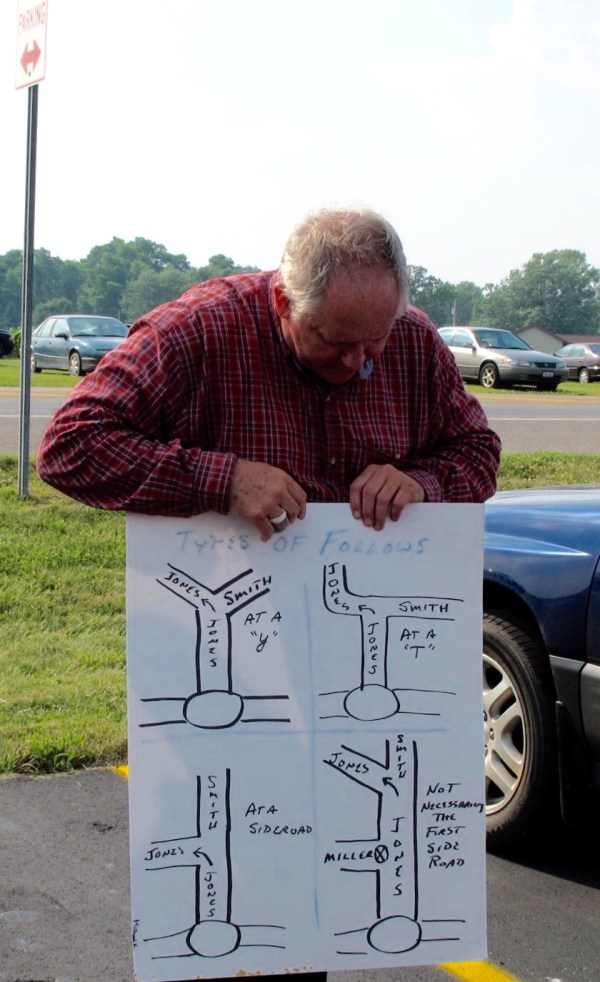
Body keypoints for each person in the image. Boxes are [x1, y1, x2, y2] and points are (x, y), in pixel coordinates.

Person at [36, 207, 501, 982]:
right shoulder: (201, 332)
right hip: (226, 679)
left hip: (350, 680)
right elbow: (72, 446)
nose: (358, 363)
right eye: (332, 340)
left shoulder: (412, 341)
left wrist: (423, 481)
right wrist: (220, 477)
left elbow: (477, 451)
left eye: (372, 341)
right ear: (284, 302)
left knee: (311, 915)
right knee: (223, 899)